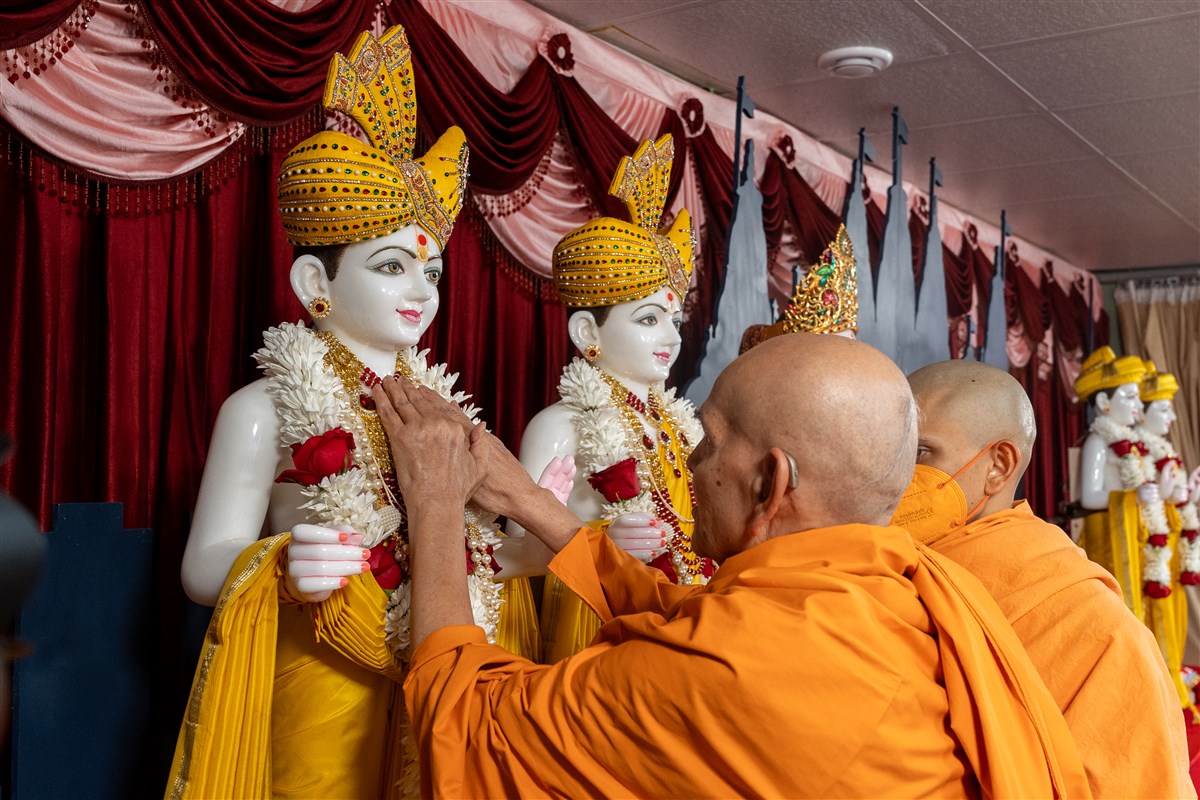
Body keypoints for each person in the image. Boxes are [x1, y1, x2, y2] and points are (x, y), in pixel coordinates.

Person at [375, 333, 1091, 798]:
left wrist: (435, 502)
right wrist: (528, 499)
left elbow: (462, 724)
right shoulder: (901, 587)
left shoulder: (730, 669)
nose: (687, 461)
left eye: (709, 442)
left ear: (771, 484)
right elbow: (683, 615)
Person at [168, 26, 502, 799]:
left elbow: (480, 554)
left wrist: (536, 539)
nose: (421, 290)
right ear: (315, 280)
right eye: (392, 266)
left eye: (432, 270)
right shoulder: (263, 407)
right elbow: (200, 565)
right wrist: (281, 563)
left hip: (435, 664)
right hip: (319, 672)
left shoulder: (444, 416)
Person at [898, 359, 1193, 798]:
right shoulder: (878, 563)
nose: (895, 475)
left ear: (998, 465)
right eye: (890, 453)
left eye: (920, 454)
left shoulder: (1094, 626)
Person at [517, 134, 709, 662]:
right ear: (587, 333)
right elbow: (514, 556)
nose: (672, 337)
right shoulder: (558, 426)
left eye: (675, 318)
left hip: (684, 618)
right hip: (592, 630)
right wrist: (604, 541)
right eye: (649, 319)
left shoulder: (680, 425)